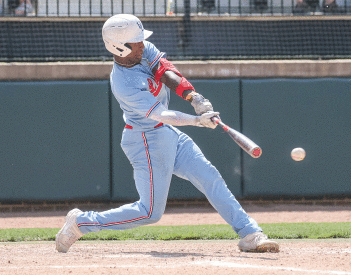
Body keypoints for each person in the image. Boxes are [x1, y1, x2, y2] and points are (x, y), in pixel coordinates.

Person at [55, 14, 280, 254]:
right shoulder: (123, 83)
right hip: (145, 139)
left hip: (168, 134)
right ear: (118, 47)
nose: (142, 45)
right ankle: (81, 223)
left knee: (209, 177)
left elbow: (166, 72)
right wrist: (197, 121)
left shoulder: (143, 50)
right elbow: (162, 115)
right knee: (150, 212)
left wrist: (194, 98)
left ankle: (249, 233)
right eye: (136, 42)